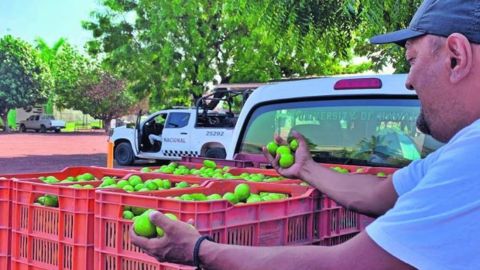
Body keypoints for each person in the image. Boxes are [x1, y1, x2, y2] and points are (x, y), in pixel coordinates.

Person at [130, 0, 480, 269]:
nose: (408, 80)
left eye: (412, 60)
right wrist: (305, 168)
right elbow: (377, 194)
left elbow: (345, 266)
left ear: (455, 57)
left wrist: (196, 249)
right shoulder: (461, 151)